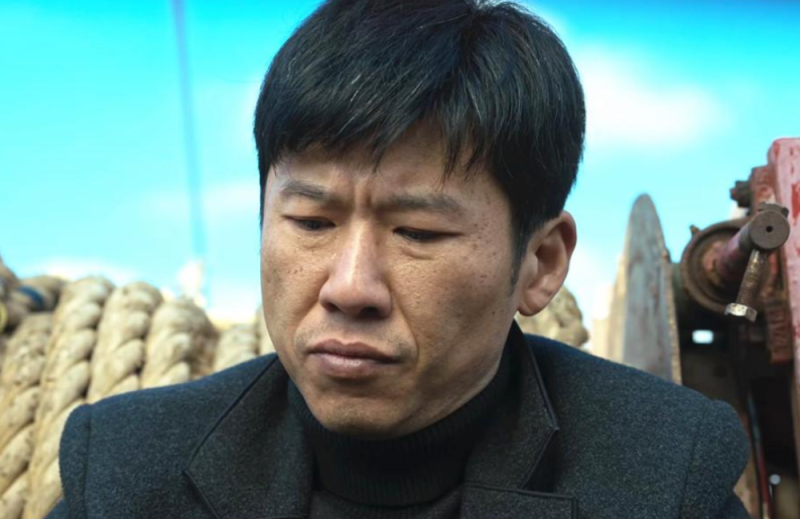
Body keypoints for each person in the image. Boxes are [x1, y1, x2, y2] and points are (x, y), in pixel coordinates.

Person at [48, 0, 750, 517]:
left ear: (540, 262)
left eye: (417, 232)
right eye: (312, 221)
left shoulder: (665, 477)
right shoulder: (122, 470)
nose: (350, 287)